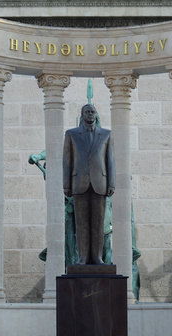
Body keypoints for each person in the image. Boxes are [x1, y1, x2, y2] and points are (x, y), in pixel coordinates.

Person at [63, 104, 115, 265]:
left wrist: (111, 183)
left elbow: (110, 160)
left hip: (100, 183)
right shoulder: (71, 134)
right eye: (87, 112)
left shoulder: (106, 134)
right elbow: (67, 161)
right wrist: (66, 184)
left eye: (93, 112)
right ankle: (83, 258)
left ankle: (98, 258)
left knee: (98, 224)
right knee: (81, 224)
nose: (90, 114)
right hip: (79, 183)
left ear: (96, 114)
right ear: (82, 115)